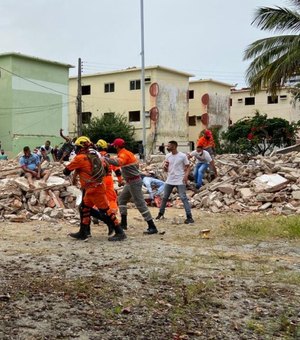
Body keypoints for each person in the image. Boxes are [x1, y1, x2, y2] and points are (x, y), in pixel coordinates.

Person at [63, 136, 126, 242]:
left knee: (106, 210)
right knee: (84, 208)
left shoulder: (79, 158)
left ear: (80, 147)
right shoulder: (95, 156)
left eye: (77, 147)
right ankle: (83, 232)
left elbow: (66, 171)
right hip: (96, 187)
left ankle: (119, 231)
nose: (76, 149)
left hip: (94, 189)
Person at [105, 138, 159, 235]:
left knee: (140, 203)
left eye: (114, 145)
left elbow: (119, 162)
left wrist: (105, 159)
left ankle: (152, 226)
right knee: (121, 199)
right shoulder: (126, 152)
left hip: (134, 182)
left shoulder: (123, 154)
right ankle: (124, 223)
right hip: (130, 182)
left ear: (117, 146)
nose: (113, 146)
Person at [156, 140, 194, 224]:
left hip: (180, 179)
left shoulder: (182, 156)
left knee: (183, 197)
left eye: (169, 146)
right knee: (165, 197)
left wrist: (186, 176)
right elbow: (166, 168)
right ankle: (160, 214)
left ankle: (189, 217)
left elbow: (188, 167)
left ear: (174, 146)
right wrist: (165, 168)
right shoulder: (168, 156)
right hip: (170, 179)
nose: (167, 147)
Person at [95, 139, 124, 214]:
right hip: (108, 178)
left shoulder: (95, 158)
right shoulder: (109, 158)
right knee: (111, 198)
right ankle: (112, 213)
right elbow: (117, 171)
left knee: (98, 197)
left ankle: (96, 212)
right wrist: (120, 181)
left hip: (98, 179)